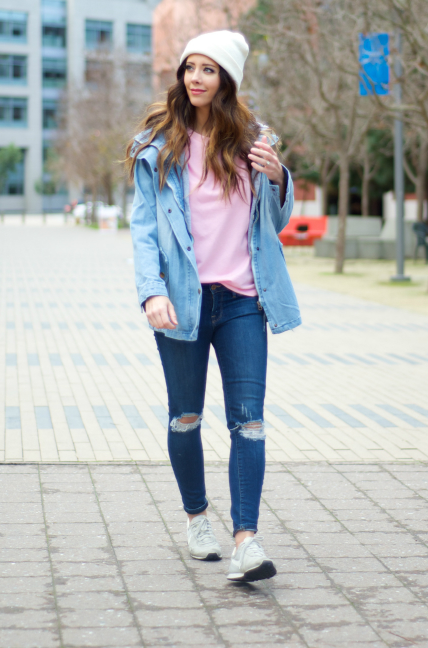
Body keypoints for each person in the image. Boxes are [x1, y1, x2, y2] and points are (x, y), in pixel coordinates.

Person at [125, 30, 301, 583]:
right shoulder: (157, 146)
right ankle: (198, 516)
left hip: (244, 299)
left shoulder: (253, 142)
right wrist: (151, 290)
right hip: (182, 299)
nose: (195, 78)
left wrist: (278, 178)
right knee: (186, 416)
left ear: (227, 79)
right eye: (189, 68)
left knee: (249, 423)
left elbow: (274, 222)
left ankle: (246, 539)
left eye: (208, 69)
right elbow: (144, 228)